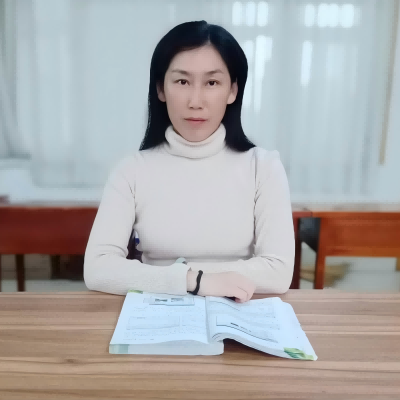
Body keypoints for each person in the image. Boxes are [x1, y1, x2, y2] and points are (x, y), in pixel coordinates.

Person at [84, 20, 295, 303]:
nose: (196, 101)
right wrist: (195, 281)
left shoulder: (263, 168)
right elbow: (97, 268)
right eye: (182, 81)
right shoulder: (131, 170)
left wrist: (163, 276)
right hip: (157, 312)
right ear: (161, 89)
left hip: (237, 313)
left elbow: (278, 271)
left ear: (232, 91)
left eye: (212, 83)